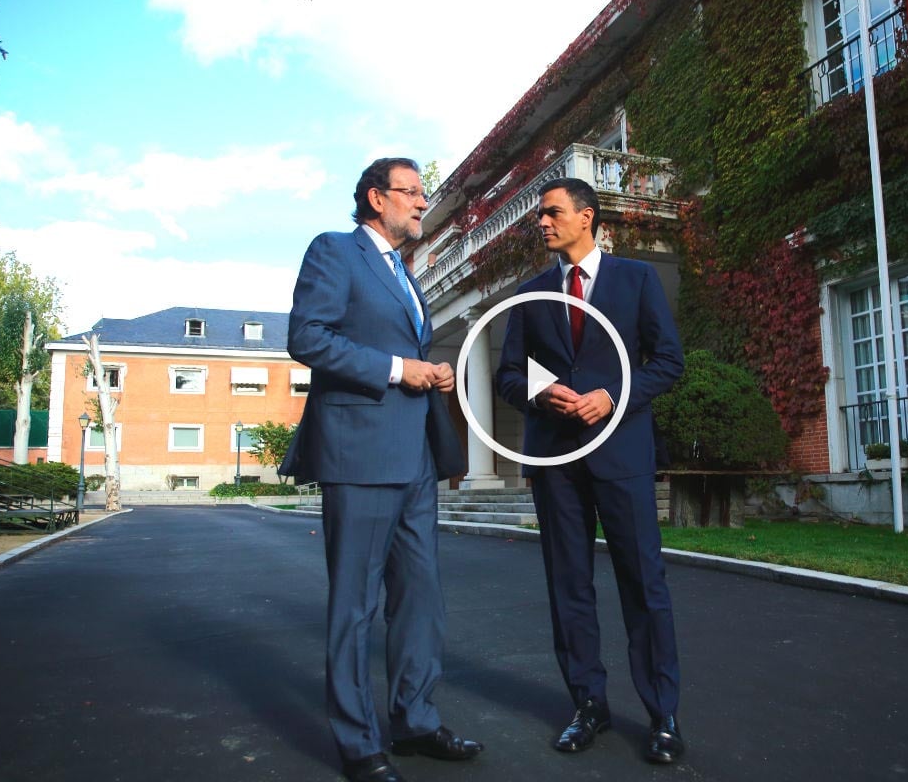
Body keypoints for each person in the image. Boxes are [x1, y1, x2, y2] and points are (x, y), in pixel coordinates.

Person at [280, 157, 481, 782]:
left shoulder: (404, 273)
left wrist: (431, 372)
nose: (423, 203)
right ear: (375, 197)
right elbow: (306, 337)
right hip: (359, 453)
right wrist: (400, 369)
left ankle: (415, 721)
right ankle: (358, 742)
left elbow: (406, 347)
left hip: (415, 457)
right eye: (412, 193)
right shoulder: (335, 252)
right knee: (356, 604)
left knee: (422, 598)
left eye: (424, 193)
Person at [495, 177, 686, 764]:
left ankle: (663, 716)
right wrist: (542, 390)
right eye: (540, 217)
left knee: (643, 586)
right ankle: (588, 706)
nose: (543, 224)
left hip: (622, 456)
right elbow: (507, 376)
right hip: (556, 463)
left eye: (552, 213)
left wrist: (614, 395)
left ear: (587, 217)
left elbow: (669, 362)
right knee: (569, 587)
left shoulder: (636, 279)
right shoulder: (529, 294)